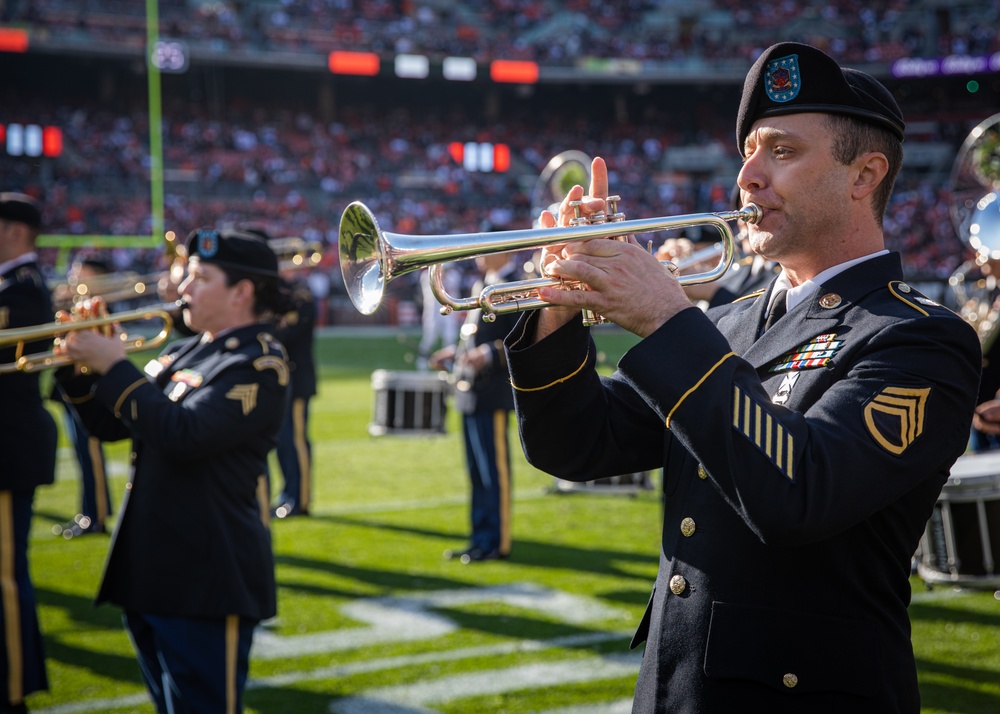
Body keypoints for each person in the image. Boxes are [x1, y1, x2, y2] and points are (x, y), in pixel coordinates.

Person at [502, 42, 981, 712]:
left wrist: (668, 317)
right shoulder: (730, 322)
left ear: (863, 174)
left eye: (781, 151)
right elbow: (578, 445)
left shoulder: (920, 337)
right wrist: (558, 310)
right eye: (749, 151)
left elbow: (799, 493)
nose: (747, 176)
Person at [54, 227, 292, 713]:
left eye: (200, 278)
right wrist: (77, 367)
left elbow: (186, 435)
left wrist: (117, 367)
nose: (182, 288)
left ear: (241, 292)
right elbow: (112, 426)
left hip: (207, 573)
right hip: (152, 567)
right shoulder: (184, 350)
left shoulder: (258, 363)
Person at [0, 192, 56, 714]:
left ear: (15, 231)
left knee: (6, 579)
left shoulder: (24, 289)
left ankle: (13, 688)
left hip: (8, 445)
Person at [434, 253, 520, 563]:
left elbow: (520, 338)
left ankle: (499, 541)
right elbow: (474, 337)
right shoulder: (483, 283)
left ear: (503, 253)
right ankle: (479, 537)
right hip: (470, 392)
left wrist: (488, 353)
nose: (479, 257)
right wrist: (455, 353)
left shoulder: (513, 284)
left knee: (493, 473)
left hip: (492, 392)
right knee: (476, 473)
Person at [50, 256, 113, 539]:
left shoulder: (99, 305)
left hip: (92, 387)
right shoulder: (73, 300)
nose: (75, 276)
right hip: (71, 385)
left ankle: (97, 515)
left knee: (91, 455)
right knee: (80, 453)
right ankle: (86, 512)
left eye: (81, 272)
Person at [267, 235, 318, 519]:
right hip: (283, 380)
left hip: (298, 380)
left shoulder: (301, 293)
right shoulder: (280, 291)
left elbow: (285, 333)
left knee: (297, 440)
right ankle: (288, 493)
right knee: (283, 441)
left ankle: (301, 499)